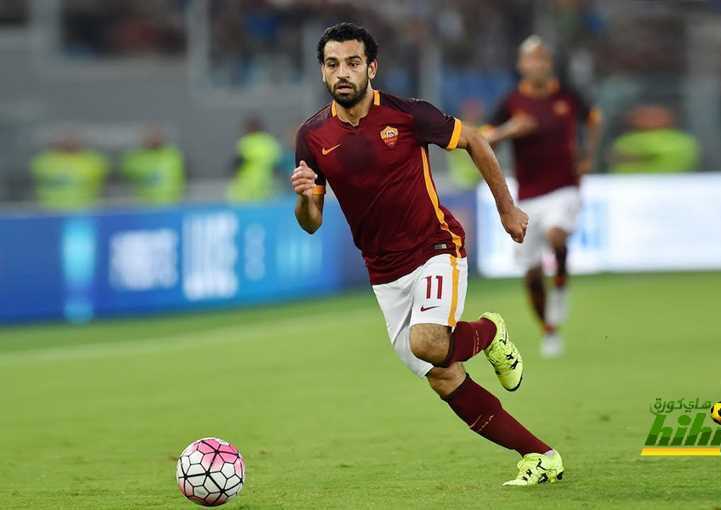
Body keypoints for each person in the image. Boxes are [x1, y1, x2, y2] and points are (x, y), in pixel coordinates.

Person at [290, 23, 563, 486]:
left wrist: (507, 208)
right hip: (383, 273)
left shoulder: (407, 114)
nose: (343, 72)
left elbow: (475, 140)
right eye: (333, 64)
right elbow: (311, 221)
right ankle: (541, 456)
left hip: (436, 247)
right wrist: (303, 198)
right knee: (444, 377)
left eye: (353, 62)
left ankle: (489, 332)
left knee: (429, 343)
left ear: (371, 68)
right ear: (322, 72)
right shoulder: (313, 136)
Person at [483, 36, 603, 358]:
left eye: (543, 59)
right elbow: (482, 140)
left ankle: (560, 284)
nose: (538, 65)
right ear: (521, 65)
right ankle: (549, 330)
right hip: (527, 196)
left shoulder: (567, 96)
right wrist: (510, 130)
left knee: (556, 235)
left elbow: (594, 119)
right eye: (532, 59)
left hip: (564, 186)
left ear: (550, 64)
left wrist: (588, 156)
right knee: (532, 274)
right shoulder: (511, 102)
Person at [609, 104, 699, 174]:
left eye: (656, 115)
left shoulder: (682, 140)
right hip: (628, 186)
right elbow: (616, 157)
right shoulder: (625, 139)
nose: (649, 119)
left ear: (670, 117)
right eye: (643, 115)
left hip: (672, 185)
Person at [30, 133, 109, 210]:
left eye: (73, 140)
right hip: (49, 209)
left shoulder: (94, 161)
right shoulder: (43, 161)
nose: (69, 143)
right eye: (65, 140)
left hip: (86, 209)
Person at [121, 125, 185, 205]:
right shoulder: (135, 158)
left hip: (171, 204)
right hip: (144, 205)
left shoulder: (173, 155)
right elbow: (128, 169)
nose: (154, 139)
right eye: (149, 137)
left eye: (156, 136)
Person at [228, 115, 282, 202]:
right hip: (266, 190)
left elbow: (237, 163)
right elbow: (277, 167)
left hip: (245, 190)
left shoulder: (247, 142)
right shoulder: (271, 143)